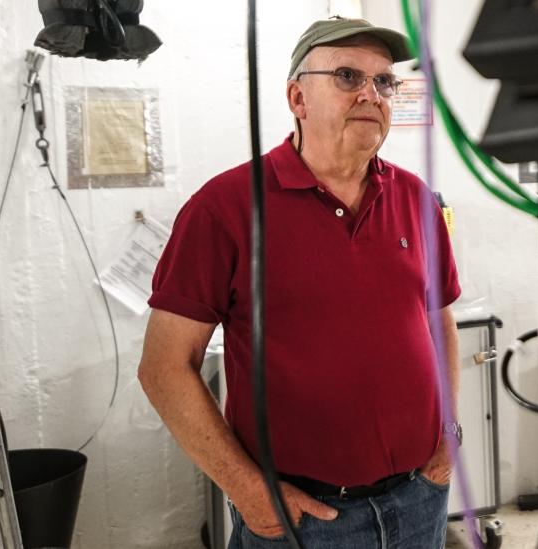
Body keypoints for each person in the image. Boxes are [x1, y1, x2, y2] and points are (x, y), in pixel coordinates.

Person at [138, 17, 462, 548]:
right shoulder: (224, 209)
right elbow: (163, 368)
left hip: (420, 498)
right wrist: (246, 490)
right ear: (297, 98)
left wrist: (449, 432)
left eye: (384, 82)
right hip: (304, 518)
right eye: (347, 76)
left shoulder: (416, 198)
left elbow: (438, 316)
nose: (370, 94)